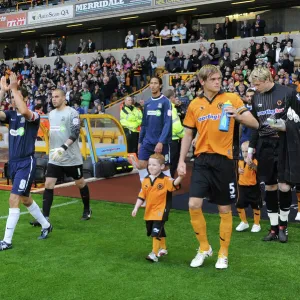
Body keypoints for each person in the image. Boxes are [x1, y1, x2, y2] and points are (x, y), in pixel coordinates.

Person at [177, 65, 259, 269]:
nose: (217, 81)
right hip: (202, 161)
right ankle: (204, 247)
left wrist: (237, 115)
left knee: (224, 208)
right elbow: (187, 134)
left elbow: (254, 123)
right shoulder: (195, 104)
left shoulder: (231, 98)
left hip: (224, 161)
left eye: (219, 78)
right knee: (193, 204)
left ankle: (223, 253)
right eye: (213, 79)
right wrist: (181, 161)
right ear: (202, 82)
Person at [0, 74, 53, 251]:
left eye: (17, 98)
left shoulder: (34, 116)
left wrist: (14, 89)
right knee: (25, 199)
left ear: (26, 98)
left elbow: (24, 111)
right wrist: (2, 91)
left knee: (13, 198)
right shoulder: (10, 115)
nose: (14, 101)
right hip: (13, 162)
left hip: (26, 163)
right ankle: (46, 225)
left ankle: (6, 241)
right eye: (13, 99)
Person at [247, 67, 300, 242]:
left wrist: (285, 127)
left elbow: (298, 119)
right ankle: (273, 228)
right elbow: (255, 125)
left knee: (284, 186)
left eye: (257, 84)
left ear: (268, 79)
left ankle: (284, 227)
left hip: (284, 144)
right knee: (269, 186)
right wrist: (250, 148)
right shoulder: (256, 98)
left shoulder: (288, 93)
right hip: (265, 146)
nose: (255, 88)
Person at [30, 89, 91, 227]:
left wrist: (63, 147)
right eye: (52, 97)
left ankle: (87, 209)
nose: (54, 99)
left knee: (80, 183)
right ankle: (45, 218)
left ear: (64, 98)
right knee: (48, 184)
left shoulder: (72, 113)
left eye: (57, 97)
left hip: (71, 158)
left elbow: (75, 133)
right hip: (55, 158)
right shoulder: (51, 114)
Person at [131, 153, 183, 262]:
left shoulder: (166, 179)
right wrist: (136, 208)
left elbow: (174, 183)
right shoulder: (146, 180)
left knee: (155, 231)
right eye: (149, 164)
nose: (151, 167)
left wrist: (181, 176)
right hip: (149, 211)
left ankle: (154, 254)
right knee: (155, 229)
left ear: (162, 167)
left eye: (154, 165)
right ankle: (163, 248)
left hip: (161, 210)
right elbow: (142, 196)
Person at [136, 76, 172, 184]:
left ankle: (168, 193)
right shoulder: (147, 103)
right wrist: (140, 141)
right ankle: (145, 190)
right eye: (151, 83)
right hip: (147, 141)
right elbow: (144, 124)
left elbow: (167, 123)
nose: (153, 85)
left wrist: (161, 142)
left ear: (160, 85)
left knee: (163, 168)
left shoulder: (166, 102)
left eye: (155, 83)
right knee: (141, 165)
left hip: (161, 142)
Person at [236, 141, 261, 233]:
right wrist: (237, 170)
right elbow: (235, 171)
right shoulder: (240, 160)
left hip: (253, 187)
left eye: (247, 151)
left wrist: (251, 164)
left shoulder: (255, 161)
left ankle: (257, 224)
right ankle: (244, 222)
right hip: (242, 187)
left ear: (253, 151)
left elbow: (258, 170)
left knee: (255, 206)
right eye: (243, 151)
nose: (245, 153)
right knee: (239, 204)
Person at [164, 89, 184, 178]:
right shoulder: (171, 108)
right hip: (173, 140)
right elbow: (176, 126)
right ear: (171, 97)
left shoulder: (163, 107)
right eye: (174, 97)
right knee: (172, 162)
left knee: (166, 161)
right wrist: (183, 135)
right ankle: (170, 182)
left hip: (165, 139)